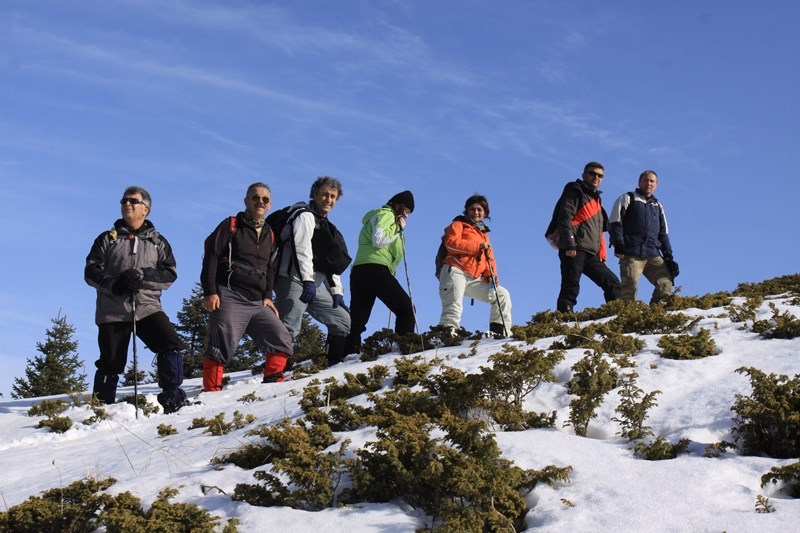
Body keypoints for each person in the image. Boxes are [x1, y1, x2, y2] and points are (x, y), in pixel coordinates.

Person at [85, 186, 187, 414]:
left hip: (148, 307)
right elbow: (91, 271)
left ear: (146, 209)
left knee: (171, 345)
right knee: (110, 361)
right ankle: (101, 408)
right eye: (123, 201)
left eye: (133, 201)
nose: (126, 204)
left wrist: (141, 276)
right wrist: (114, 283)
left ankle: (173, 398)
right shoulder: (106, 239)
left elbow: (169, 273)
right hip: (112, 309)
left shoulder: (158, 242)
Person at [200, 182, 294, 389]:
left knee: (280, 336)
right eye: (255, 197)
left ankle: (273, 382)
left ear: (269, 205)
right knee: (220, 343)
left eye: (265, 199)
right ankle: (211, 392)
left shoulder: (270, 233)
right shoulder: (231, 225)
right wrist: (210, 291)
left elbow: (270, 268)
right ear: (246, 201)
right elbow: (211, 257)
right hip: (230, 293)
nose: (260, 201)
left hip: (258, 300)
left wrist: (268, 296)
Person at [273, 176, 352, 367]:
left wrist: (337, 292)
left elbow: (330, 262)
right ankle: (275, 372)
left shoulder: (327, 227)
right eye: (324, 194)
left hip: (313, 285)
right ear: (315, 195)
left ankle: (333, 364)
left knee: (343, 321)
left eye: (333, 196)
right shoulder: (304, 216)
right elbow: (302, 249)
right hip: (292, 279)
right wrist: (307, 280)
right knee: (289, 328)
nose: (329, 199)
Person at [344, 190, 416, 355]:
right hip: (375, 268)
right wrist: (397, 227)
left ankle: (348, 353)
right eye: (406, 210)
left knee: (357, 318)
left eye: (409, 213)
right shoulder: (386, 214)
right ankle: (404, 349)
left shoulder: (382, 216)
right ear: (397, 206)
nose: (406, 215)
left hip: (360, 270)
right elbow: (379, 239)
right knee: (406, 309)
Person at [545, 162, 621, 312]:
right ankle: (564, 319)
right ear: (584, 175)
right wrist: (569, 244)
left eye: (600, 175)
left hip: (590, 253)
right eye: (592, 173)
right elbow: (565, 217)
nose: (596, 177)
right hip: (573, 248)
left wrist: (601, 254)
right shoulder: (575, 190)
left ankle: (617, 315)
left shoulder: (597, 201)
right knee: (570, 285)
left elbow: (599, 231)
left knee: (612, 282)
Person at [438, 194, 512, 337]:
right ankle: (446, 337)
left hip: (473, 277)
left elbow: (488, 258)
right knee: (454, 307)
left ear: (485, 213)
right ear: (466, 211)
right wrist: (477, 246)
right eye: (472, 209)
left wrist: (491, 275)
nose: (476, 212)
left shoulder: (484, 234)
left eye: (479, 210)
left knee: (501, 295)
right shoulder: (458, 225)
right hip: (454, 271)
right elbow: (452, 244)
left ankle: (499, 332)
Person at [609, 170, 675, 304]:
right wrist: (619, 244)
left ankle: (657, 315)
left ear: (656, 184)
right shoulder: (627, 198)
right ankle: (628, 318)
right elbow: (615, 222)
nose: (648, 183)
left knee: (665, 281)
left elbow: (663, 233)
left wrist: (668, 254)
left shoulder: (658, 206)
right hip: (630, 253)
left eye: (652, 181)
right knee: (629, 288)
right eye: (645, 180)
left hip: (653, 254)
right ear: (639, 182)